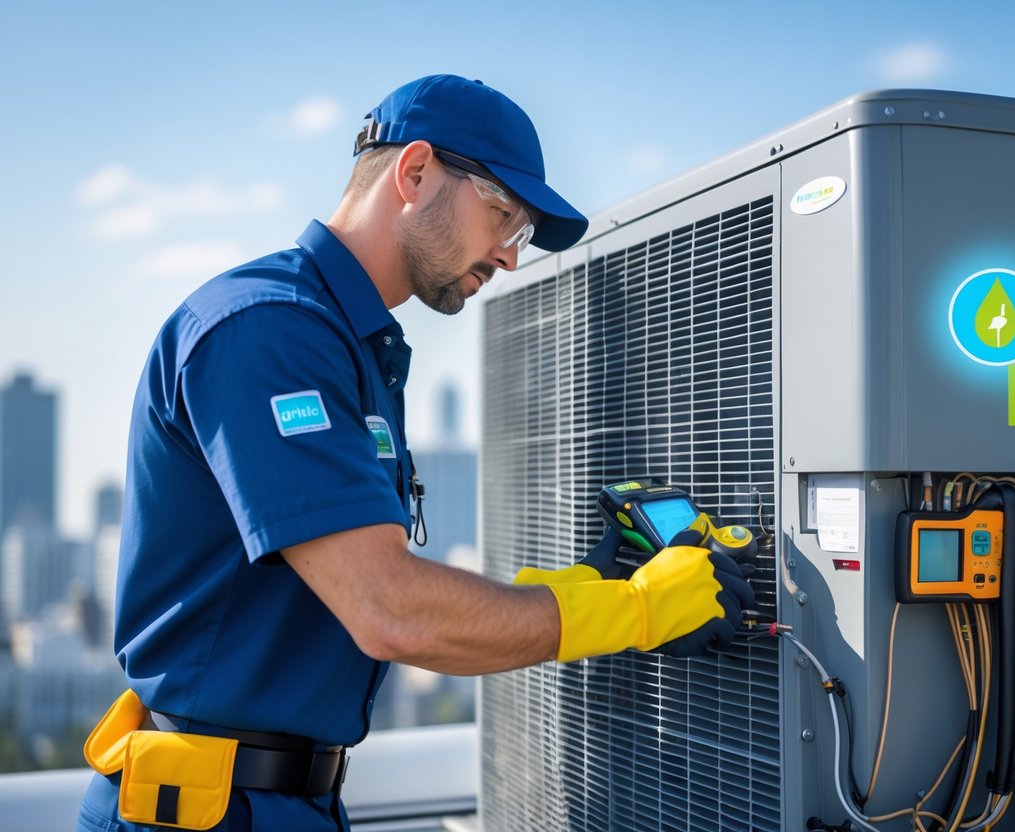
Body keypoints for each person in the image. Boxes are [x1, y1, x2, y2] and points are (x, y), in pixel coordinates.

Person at [76, 74, 754, 832]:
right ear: (416, 172)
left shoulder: (346, 342)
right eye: (502, 214)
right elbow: (388, 609)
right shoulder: (269, 331)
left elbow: (352, 592)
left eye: (521, 233)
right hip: (205, 810)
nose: (509, 257)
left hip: (277, 801)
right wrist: (634, 609)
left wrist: (582, 583)